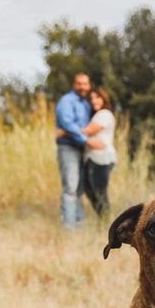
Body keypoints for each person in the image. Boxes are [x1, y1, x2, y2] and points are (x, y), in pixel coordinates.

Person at [55, 72, 103, 228]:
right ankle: (69, 227)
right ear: (74, 84)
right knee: (70, 186)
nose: (83, 87)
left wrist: (73, 132)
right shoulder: (66, 101)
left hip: (82, 149)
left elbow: (82, 127)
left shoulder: (86, 103)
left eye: (86, 84)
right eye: (79, 83)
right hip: (68, 147)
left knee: (80, 188)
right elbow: (67, 124)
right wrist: (86, 140)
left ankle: (79, 223)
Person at [81, 87, 117, 216]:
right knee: (90, 190)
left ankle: (106, 220)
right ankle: (102, 217)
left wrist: (69, 129)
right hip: (93, 157)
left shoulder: (104, 114)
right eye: (91, 99)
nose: (94, 101)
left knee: (99, 191)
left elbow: (88, 131)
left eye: (97, 97)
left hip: (102, 158)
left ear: (103, 99)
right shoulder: (96, 115)